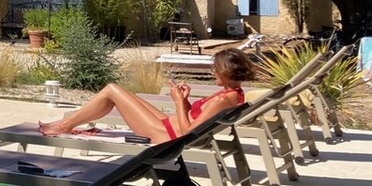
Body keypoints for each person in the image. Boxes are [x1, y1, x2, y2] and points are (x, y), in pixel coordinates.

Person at [38, 48, 256, 143]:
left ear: (226, 72)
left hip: (168, 135)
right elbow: (198, 121)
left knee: (112, 90)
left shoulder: (222, 99)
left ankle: (64, 125)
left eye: (216, 69)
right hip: (169, 126)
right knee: (116, 91)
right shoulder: (232, 94)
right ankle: (65, 123)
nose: (213, 72)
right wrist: (185, 102)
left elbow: (189, 131)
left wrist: (179, 102)